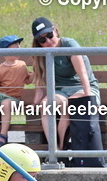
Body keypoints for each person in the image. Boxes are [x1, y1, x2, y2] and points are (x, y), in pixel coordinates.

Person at [30, 17, 101, 152]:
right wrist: (36, 103)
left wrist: (88, 97)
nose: (48, 41)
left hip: (82, 87)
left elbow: (83, 74)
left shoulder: (69, 45)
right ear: (38, 43)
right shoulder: (40, 54)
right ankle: (54, 149)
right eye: (42, 40)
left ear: (55, 31)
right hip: (60, 91)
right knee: (46, 105)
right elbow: (40, 81)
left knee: (70, 105)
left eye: (50, 35)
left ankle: (60, 149)